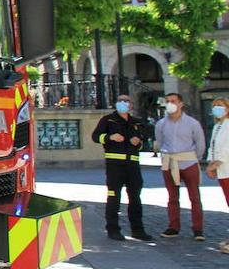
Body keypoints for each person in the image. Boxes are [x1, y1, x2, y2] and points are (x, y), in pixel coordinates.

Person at [91, 94, 152, 241]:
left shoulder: (136, 123)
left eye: (126, 101)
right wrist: (109, 137)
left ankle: (138, 230)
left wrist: (138, 142)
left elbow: (144, 140)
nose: (123, 103)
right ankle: (113, 229)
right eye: (120, 101)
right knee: (114, 197)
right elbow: (95, 136)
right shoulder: (108, 120)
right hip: (115, 165)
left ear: (131, 105)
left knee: (135, 198)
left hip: (133, 165)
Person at [153, 92, 204, 241]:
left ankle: (198, 229)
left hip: (188, 161)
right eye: (168, 101)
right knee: (172, 197)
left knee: (194, 197)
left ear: (180, 104)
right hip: (170, 162)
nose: (170, 104)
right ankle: (173, 227)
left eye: (173, 101)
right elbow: (160, 142)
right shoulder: (161, 124)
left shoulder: (192, 123)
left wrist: (196, 158)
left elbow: (200, 143)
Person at [204, 96, 229, 250]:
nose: (217, 108)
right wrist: (211, 162)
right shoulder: (217, 126)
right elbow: (213, 146)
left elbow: (227, 149)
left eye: (220, 105)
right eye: (215, 105)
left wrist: (215, 164)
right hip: (222, 171)